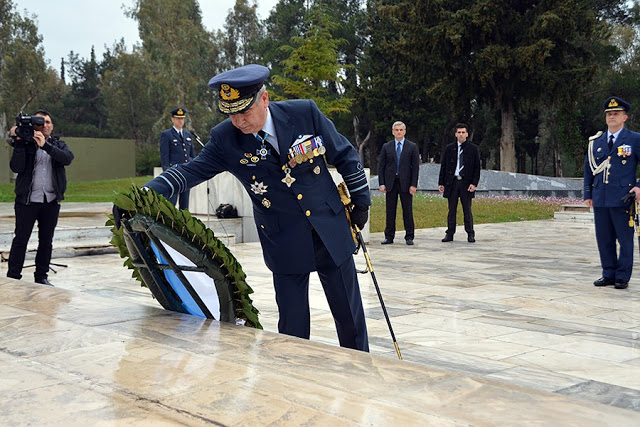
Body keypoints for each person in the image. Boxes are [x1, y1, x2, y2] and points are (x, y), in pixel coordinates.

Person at [132, 64, 371, 351]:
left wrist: (360, 200)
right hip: (284, 240)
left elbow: (344, 154)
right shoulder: (225, 139)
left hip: (329, 229)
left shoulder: (304, 113)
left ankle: (361, 379)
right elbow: (189, 171)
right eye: (232, 114)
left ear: (265, 99)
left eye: (244, 112)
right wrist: (146, 193)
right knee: (292, 332)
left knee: (351, 322)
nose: (239, 121)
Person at [6, 110, 74, 286]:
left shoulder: (58, 144)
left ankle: (41, 276)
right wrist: (20, 143)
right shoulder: (25, 144)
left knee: (46, 241)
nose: (45, 125)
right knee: (21, 239)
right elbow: (16, 167)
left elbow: (67, 158)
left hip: (50, 201)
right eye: (41, 122)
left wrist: (46, 146)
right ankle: (13, 276)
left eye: (48, 122)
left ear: (52, 126)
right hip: (27, 201)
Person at [584, 96, 640, 290]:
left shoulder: (634, 139)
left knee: (625, 240)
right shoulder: (596, 141)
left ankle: (622, 276)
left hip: (623, 198)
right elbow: (588, 170)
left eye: (616, 114)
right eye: (609, 114)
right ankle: (608, 273)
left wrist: (639, 186)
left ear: (625, 117)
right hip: (601, 198)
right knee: (604, 238)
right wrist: (587, 194)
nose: (612, 117)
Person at [378, 121, 420, 245]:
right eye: (396, 130)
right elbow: (382, 167)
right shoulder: (387, 147)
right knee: (390, 211)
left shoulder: (412, 147)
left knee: (407, 210)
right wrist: (382, 183)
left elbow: (415, 167)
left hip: (406, 183)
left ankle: (409, 236)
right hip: (391, 183)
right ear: (393, 132)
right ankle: (389, 236)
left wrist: (413, 184)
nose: (399, 132)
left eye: (401, 130)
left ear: (405, 132)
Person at [438, 123, 481, 243]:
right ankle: (450, 233)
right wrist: (441, 182)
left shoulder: (473, 149)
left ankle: (470, 233)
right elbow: (444, 166)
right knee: (451, 209)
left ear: (467, 134)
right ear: (456, 134)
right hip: (452, 183)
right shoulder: (449, 148)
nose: (461, 135)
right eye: (459, 132)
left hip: (466, 183)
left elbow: (477, 167)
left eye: (463, 132)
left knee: (467, 209)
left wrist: (474, 183)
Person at [159, 107, 195, 209]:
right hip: (174, 173)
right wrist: (167, 172)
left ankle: (184, 223)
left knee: (185, 203)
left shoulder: (187, 135)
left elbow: (191, 155)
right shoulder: (167, 134)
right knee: (171, 202)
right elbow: (164, 156)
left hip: (186, 173)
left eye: (182, 118)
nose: (181, 121)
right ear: (172, 119)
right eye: (178, 118)